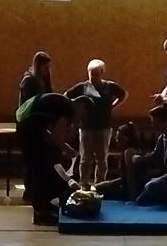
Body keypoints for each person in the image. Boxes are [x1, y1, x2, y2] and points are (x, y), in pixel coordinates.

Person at [17, 92, 90, 225]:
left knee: (44, 166)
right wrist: (66, 149)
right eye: (82, 115)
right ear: (81, 106)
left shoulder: (60, 103)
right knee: (42, 171)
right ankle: (41, 213)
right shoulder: (67, 108)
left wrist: (63, 146)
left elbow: (48, 132)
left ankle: (44, 206)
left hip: (26, 127)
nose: (79, 120)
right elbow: (57, 136)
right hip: (28, 131)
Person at [65, 59, 129, 189]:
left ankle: (99, 184)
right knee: (85, 158)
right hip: (86, 127)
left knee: (102, 159)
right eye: (91, 74)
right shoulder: (83, 87)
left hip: (104, 127)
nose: (93, 77)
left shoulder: (109, 87)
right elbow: (66, 96)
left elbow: (123, 94)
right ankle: (83, 184)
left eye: (96, 74)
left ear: (102, 73)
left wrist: (113, 106)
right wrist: (77, 110)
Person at [123, 106, 167, 216]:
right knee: (142, 198)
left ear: (164, 121)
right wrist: (139, 159)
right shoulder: (162, 138)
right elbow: (155, 156)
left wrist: (162, 178)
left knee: (151, 186)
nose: (153, 125)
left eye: (155, 122)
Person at [17, 51, 53, 201]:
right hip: (29, 127)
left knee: (39, 161)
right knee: (31, 161)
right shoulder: (29, 81)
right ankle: (30, 191)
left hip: (40, 126)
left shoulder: (42, 81)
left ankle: (37, 190)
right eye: (45, 67)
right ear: (39, 66)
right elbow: (31, 104)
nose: (47, 70)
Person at [94, 122, 142, 200]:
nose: (117, 141)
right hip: (124, 184)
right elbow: (124, 178)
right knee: (98, 187)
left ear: (127, 138)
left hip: (131, 189)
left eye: (119, 138)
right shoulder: (129, 150)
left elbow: (131, 177)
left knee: (97, 190)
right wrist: (108, 183)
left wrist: (132, 198)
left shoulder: (129, 152)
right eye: (117, 138)